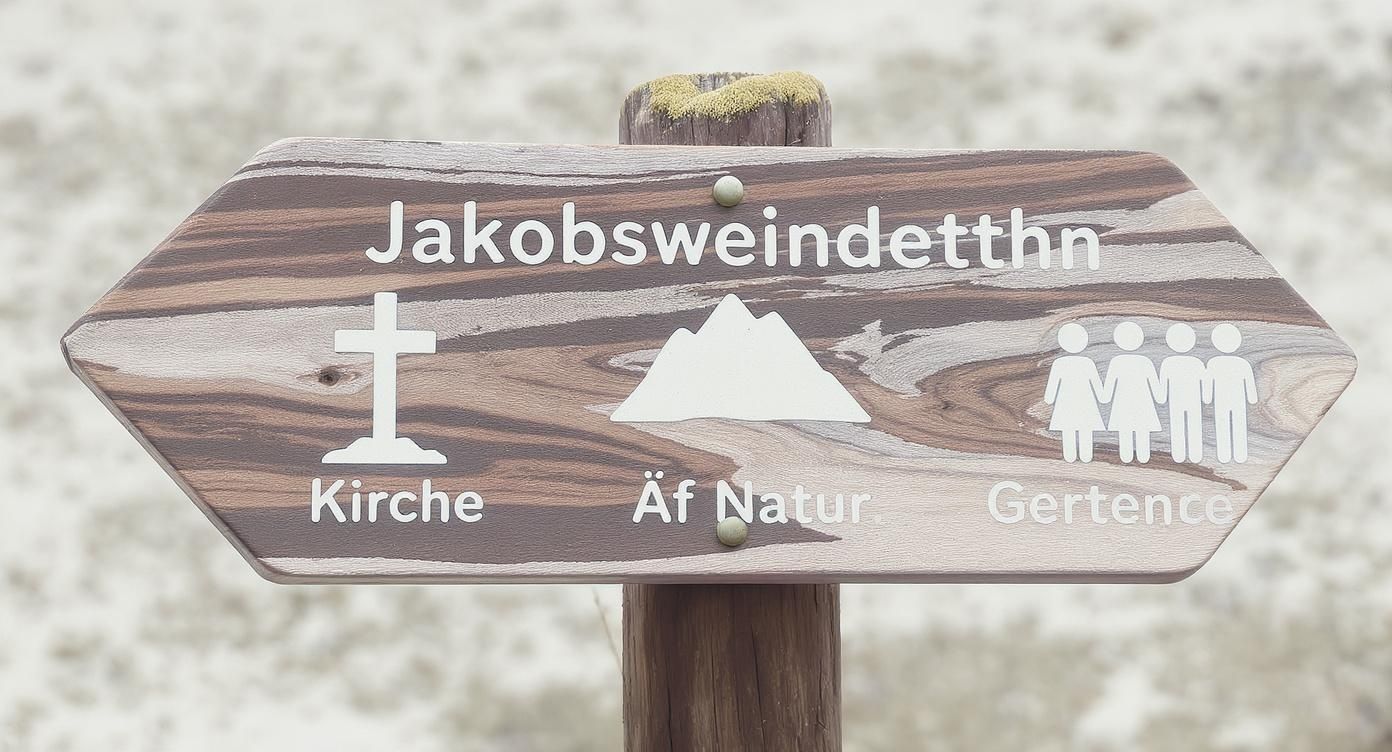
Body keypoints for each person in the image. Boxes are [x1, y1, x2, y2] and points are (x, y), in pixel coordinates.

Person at [1101, 321, 1162, 463]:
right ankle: (1142, 456)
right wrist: (1160, 397)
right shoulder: (1145, 361)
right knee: (1141, 428)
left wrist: (1104, 397)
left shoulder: (1117, 362)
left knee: (1126, 429)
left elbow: (1109, 385)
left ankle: (1127, 456)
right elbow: (1154, 385)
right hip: (1142, 401)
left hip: (1124, 403)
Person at [1044, 323, 1106, 463]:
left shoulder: (1060, 363)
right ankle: (1085, 455)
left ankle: (1071, 455)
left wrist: (1049, 398)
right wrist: (1102, 397)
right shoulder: (1087, 363)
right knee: (1085, 428)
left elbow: (1053, 384)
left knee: (1069, 428)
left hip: (1066, 402)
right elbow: (1096, 384)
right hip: (1085, 401)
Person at [1203, 323, 1257, 463]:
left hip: (1222, 401)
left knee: (1223, 425)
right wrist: (1252, 398)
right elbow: (1249, 385)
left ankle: (1225, 454)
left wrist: (1207, 398)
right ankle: (1238, 454)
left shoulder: (1214, 363)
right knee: (1237, 424)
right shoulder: (1241, 363)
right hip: (1235, 400)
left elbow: (1208, 383)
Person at [1158, 323, 1207, 463]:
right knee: (1189, 424)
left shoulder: (1169, 362)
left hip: (1182, 400)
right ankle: (1189, 454)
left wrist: (1161, 397)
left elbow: (1163, 383)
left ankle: (1184, 454)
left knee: (1180, 424)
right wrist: (1206, 397)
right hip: (1186, 400)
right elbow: (1204, 383)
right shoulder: (1195, 362)